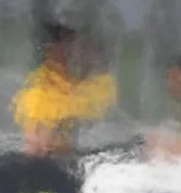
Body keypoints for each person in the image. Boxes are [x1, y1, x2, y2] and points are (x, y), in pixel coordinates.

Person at [11, 21, 115, 156]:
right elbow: (39, 147)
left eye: (84, 46)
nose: (77, 51)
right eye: (66, 42)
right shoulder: (38, 95)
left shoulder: (101, 85)